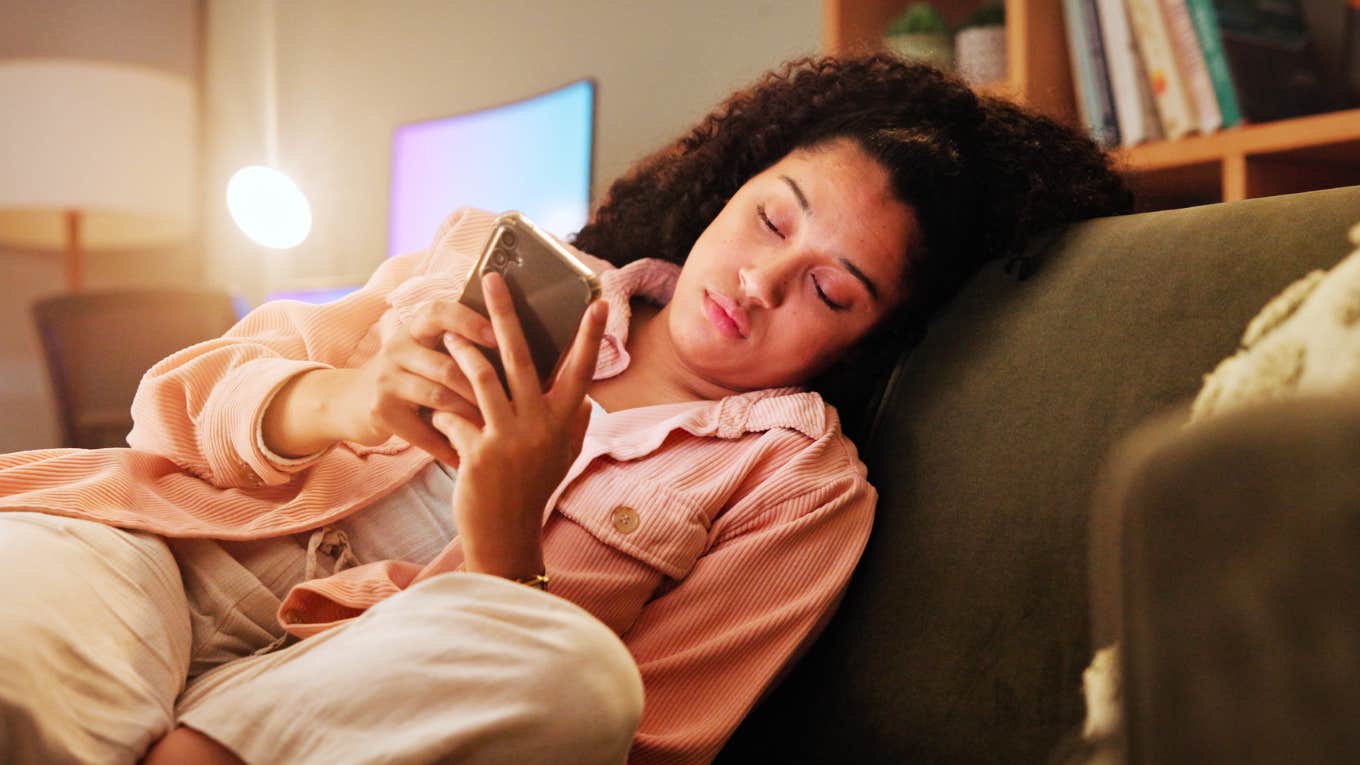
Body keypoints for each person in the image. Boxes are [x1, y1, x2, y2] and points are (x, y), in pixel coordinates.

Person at [0, 54, 1131, 765]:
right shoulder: (505, 263)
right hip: (156, 552)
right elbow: (172, 414)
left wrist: (505, 549)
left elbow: (642, 741)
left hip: (335, 695)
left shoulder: (797, 486)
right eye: (769, 219)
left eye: (831, 291)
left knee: (575, 681)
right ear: (726, 188)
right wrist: (343, 398)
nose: (758, 282)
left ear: (865, 338)